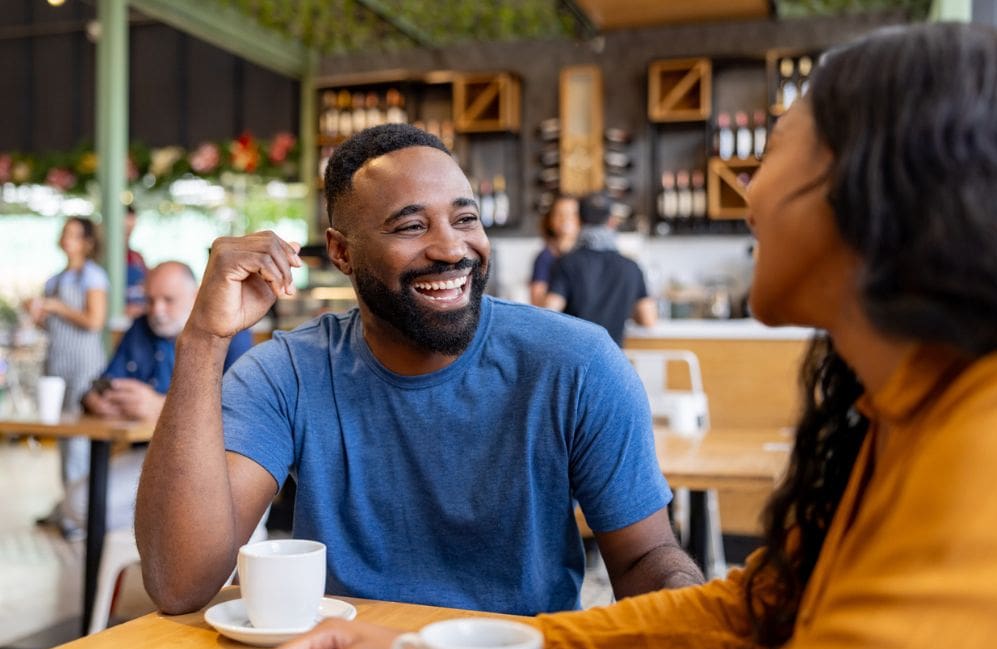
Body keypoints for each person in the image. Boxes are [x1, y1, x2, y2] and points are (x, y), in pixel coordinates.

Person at [269, 22, 997, 649]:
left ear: (875, 189)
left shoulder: (979, 458)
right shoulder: (897, 419)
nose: (745, 194)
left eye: (774, 155)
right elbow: (744, 616)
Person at [135, 123, 703, 617]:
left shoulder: (577, 363)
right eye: (411, 227)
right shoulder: (288, 372)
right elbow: (181, 583)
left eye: (465, 218)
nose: (451, 248)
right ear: (341, 252)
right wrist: (204, 339)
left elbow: (645, 557)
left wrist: (693, 612)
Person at [58, 261, 253, 534]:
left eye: (168, 300)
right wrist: (95, 400)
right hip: (152, 457)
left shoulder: (232, 332)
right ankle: (161, 539)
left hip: (216, 462)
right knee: (78, 504)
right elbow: (100, 384)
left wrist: (162, 407)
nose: (157, 310)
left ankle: (172, 538)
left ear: (196, 295)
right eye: (150, 300)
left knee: (234, 520)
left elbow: (242, 417)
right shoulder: (139, 328)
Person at [28, 216, 108, 539]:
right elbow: (52, 326)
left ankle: (80, 514)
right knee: (61, 436)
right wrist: (40, 316)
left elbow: (94, 321)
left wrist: (58, 308)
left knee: (77, 441)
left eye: (74, 235)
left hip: (84, 366)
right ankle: (68, 504)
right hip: (56, 363)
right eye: (65, 234)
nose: (67, 239)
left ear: (87, 241)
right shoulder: (55, 279)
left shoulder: (93, 276)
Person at [545, 191, 656, 346]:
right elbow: (648, 320)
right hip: (614, 365)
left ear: (579, 221)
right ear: (612, 222)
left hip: (576, 364)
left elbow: (548, 316)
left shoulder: (566, 263)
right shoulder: (631, 268)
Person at [529, 195, 580, 307]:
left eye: (572, 214)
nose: (565, 219)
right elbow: (537, 303)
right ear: (551, 220)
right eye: (559, 214)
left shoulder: (587, 256)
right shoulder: (544, 258)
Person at [124, 205, 149, 319]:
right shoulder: (101, 259)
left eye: (131, 230)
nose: (128, 234)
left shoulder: (137, 257)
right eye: (124, 230)